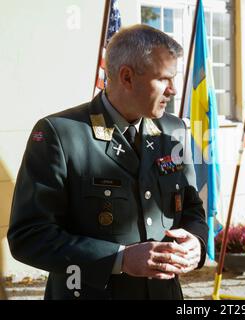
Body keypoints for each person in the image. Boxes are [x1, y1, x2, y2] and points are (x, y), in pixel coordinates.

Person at [7, 25, 208, 300]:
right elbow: (29, 236)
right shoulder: (60, 133)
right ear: (126, 77)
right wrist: (120, 259)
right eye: (164, 79)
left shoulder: (174, 131)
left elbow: (192, 207)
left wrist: (195, 241)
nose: (173, 90)